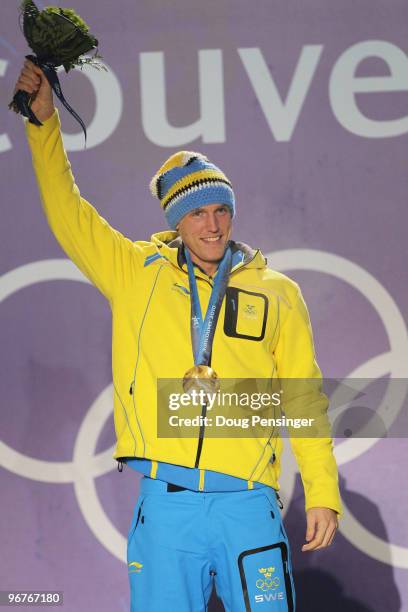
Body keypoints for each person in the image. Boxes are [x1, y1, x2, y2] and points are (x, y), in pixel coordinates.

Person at [15, 59, 341, 612]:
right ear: (176, 220)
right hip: (167, 504)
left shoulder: (277, 290)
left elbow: (303, 397)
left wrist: (323, 491)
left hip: (248, 501)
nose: (212, 226)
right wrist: (44, 126)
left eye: (221, 211)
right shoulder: (133, 271)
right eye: (197, 215)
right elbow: (68, 213)